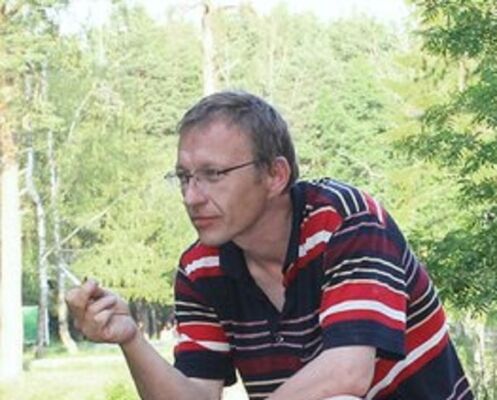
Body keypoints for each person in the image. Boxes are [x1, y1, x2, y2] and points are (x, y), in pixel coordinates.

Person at [66, 91, 473, 400]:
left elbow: (347, 372)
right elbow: (198, 394)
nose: (191, 196)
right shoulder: (200, 269)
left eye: (213, 174)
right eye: (184, 177)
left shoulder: (345, 220)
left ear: (276, 175)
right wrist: (131, 339)